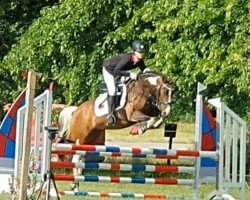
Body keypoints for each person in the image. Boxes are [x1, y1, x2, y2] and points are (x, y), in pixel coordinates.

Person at [102, 40, 150, 125]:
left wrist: (148, 71)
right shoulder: (127, 59)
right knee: (113, 90)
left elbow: (143, 69)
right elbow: (116, 70)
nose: (142, 54)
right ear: (134, 52)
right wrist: (129, 74)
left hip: (119, 71)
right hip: (109, 70)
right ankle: (110, 115)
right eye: (140, 52)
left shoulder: (139, 60)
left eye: (143, 52)